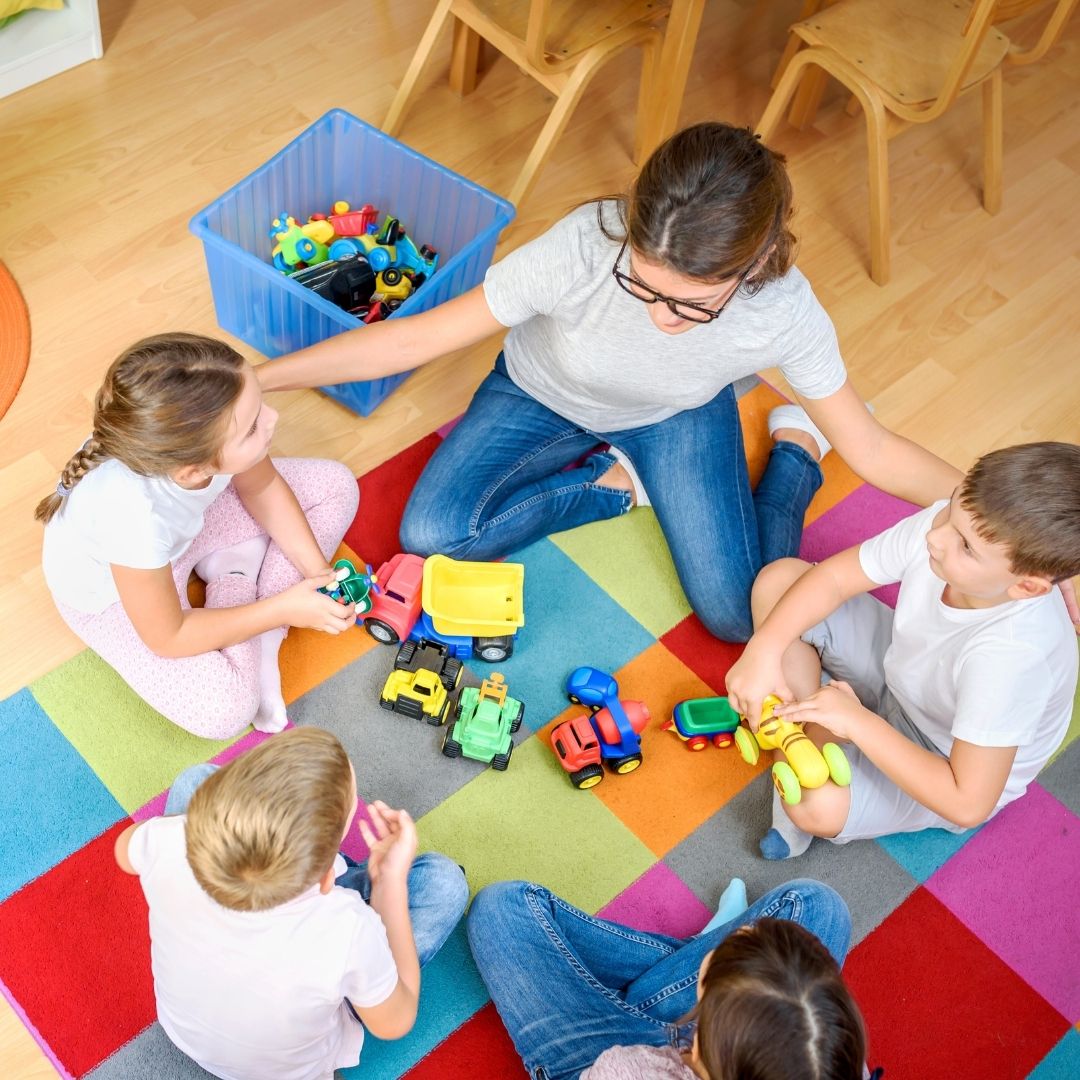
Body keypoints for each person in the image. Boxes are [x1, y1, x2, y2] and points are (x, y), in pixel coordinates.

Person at [255, 121, 961, 643]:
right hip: (537, 393)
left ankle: (798, 454)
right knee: (434, 533)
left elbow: (873, 449)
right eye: (643, 287)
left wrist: (1023, 535)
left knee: (744, 615)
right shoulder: (585, 244)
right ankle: (613, 487)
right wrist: (257, 379)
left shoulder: (783, 310)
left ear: (757, 261)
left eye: (690, 305)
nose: (661, 318)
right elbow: (412, 337)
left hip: (673, 417)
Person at [725, 441, 1080, 860]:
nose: (935, 536)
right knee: (779, 581)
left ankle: (805, 731)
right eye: (952, 507)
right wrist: (764, 650)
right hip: (902, 672)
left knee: (817, 805)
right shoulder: (946, 529)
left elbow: (967, 802)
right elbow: (835, 579)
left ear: (1026, 587)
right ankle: (810, 729)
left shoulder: (1012, 660)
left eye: (966, 546)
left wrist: (857, 723)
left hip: (940, 756)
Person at [36, 332, 359, 739]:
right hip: (116, 598)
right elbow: (169, 637)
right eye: (253, 427)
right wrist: (282, 610)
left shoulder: (190, 441)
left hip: (180, 540)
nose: (273, 419)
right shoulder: (132, 517)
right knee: (223, 712)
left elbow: (260, 487)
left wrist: (318, 575)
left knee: (337, 485)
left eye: (259, 404)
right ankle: (238, 581)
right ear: (194, 471)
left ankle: (260, 628)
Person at [114, 726, 468, 1080]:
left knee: (195, 779)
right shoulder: (347, 927)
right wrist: (389, 882)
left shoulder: (171, 841)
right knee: (445, 882)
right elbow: (395, 1021)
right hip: (289, 1066)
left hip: (186, 1031)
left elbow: (123, 851)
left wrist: (195, 829)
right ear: (329, 878)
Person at [467, 875, 870, 1080]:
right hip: (725, 1052)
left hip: (602, 1061)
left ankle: (681, 962)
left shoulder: (622, 1069)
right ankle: (691, 960)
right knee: (818, 905)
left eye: (728, 943)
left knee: (503, 907)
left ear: (705, 986)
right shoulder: (825, 1063)